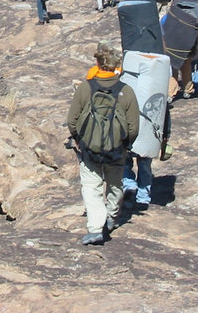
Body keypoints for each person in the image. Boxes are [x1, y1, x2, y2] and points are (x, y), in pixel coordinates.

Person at [67, 42, 140, 246]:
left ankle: (95, 228)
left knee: (92, 186)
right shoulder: (126, 91)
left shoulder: (85, 88)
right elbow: (133, 127)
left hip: (89, 149)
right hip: (117, 150)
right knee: (116, 184)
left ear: (98, 63)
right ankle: (111, 216)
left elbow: (72, 119)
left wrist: (79, 139)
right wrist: (125, 144)